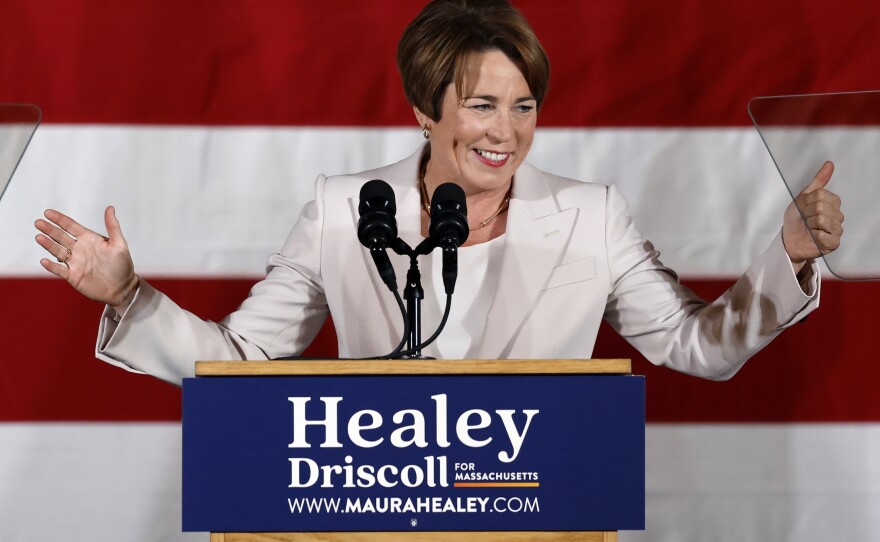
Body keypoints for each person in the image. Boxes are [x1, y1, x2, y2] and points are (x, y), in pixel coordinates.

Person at [34, 0, 843, 386]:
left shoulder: (593, 217)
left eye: (524, 106)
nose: (506, 131)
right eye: (481, 105)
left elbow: (698, 346)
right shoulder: (347, 211)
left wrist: (790, 256)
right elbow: (242, 360)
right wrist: (131, 295)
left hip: (539, 514)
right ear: (426, 112)